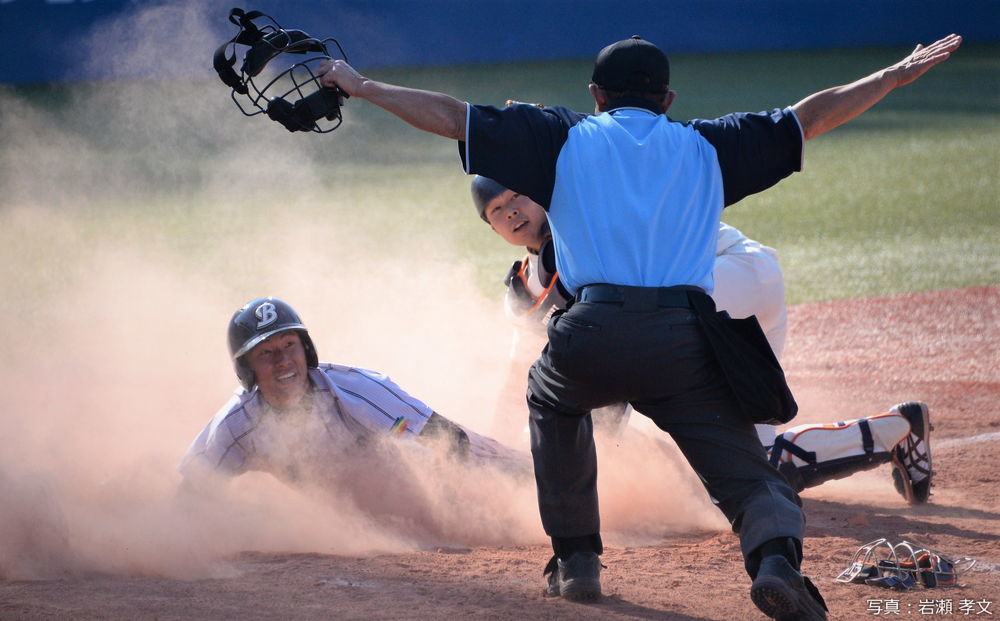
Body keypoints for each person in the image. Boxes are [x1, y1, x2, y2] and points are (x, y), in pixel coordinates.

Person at [317, 33, 961, 619]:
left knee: (550, 400)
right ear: (668, 98)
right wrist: (890, 77)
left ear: (595, 97)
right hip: (686, 338)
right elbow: (809, 117)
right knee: (745, 470)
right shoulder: (711, 144)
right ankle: (774, 563)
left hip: (591, 334)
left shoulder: (561, 137)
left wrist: (361, 85)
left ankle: (575, 561)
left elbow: (449, 116)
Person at [470, 174, 933, 504]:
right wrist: (491, 450)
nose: (513, 211)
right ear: (490, 227)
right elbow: (521, 376)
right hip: (722, 296)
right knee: (756, 470)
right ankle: (899, 430)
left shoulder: (582, 218)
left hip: (726, 274)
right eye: (497, 209)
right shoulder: (522, 290)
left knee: (619, 349)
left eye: (520, 195)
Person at [178, 297, 527, 523]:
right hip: (377, 512)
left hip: (450, 470)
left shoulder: (354, 390)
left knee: (536, 479)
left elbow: (448, 440)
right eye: (266, 353)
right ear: (247, 368)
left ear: (306, 350)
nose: (284, 360)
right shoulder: (237, 425)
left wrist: (458, 506)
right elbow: (192, 490)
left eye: (289, 345)